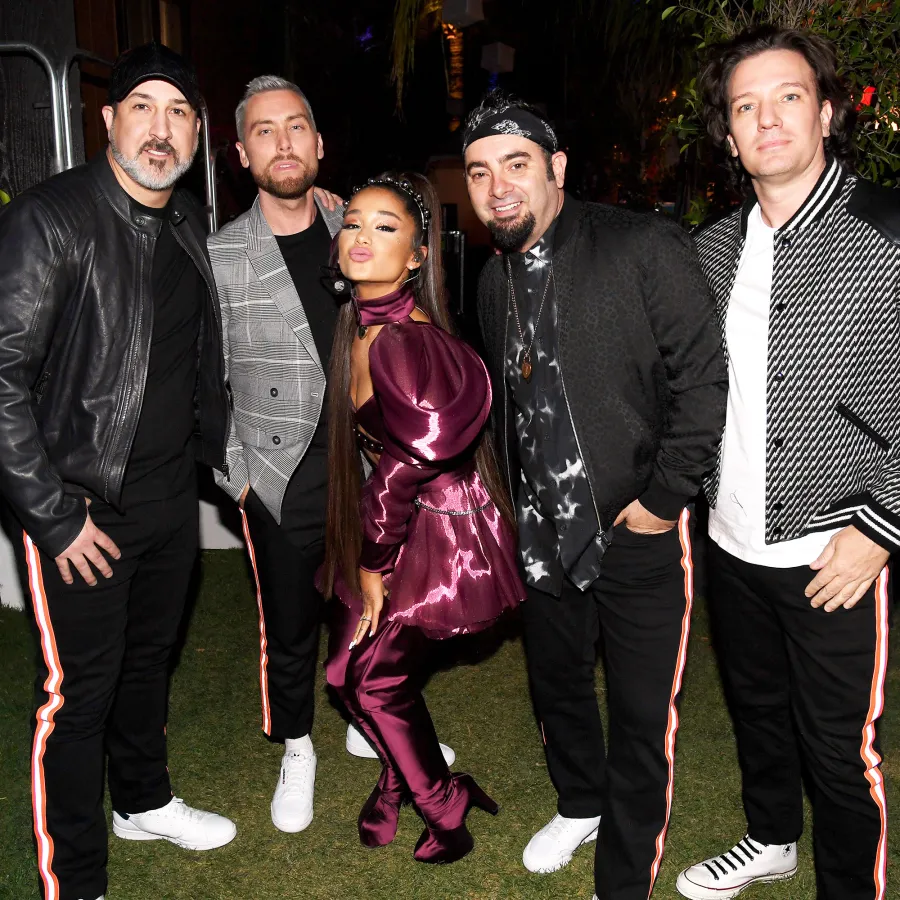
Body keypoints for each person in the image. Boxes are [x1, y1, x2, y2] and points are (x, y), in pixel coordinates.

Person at [464, 90, 727, 900]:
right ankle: (580, 801)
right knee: (558, 682)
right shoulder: (492, 278)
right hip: (541, 530)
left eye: (516, 164)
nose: (498, 186)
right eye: (479, 172)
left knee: (642, 715)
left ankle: (624, 881)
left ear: (557, 168)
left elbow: (703, 381)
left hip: (638, 528)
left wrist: (664, 497)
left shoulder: (641, 244)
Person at [0, 42, 235, 900]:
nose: (160, 129)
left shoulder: (188, 222)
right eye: (143, 107)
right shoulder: (51, 219)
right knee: (78, 697)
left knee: (147, 664)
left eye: (179, 112)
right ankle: (76, 880)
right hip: (80, 506)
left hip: (170, 500)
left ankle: (142, 801)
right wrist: (53, 516)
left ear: (197, 133)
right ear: (108, 119)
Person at [676, 27, 898, 900]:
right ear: (729, 136)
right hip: (731, 541)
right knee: (759, 714)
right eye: (746, 106)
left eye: (789, 97)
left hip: (838, 549)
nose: (767, 119)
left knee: (841, 752)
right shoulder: (708, 250)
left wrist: (881, 526)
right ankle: (771, 839)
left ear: (827, 113)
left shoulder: (887, 230)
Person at [209, 78, 454, 834]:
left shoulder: (357, 220)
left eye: (296, 127)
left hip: (370, 471)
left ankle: (363, 717)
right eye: (264, 131)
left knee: (373, 608)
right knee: (289, 629)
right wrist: (239, 480)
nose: (282, 143)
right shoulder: (220, 254)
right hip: (279, 478)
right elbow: (201, 381)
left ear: (318, 143)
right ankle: (297, 745)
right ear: (242, 152)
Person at [319, 172, 525, 863]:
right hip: (390, 516)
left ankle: (443, 806)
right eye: (352, 222)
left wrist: (374, 562)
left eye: (385, 228)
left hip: (438, 530)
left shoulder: (405, 343)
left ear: (415, 257)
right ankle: (401, 776)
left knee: (372, 681)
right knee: (345, 674)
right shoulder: (358, 325)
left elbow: (408, 463)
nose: (361, 237)